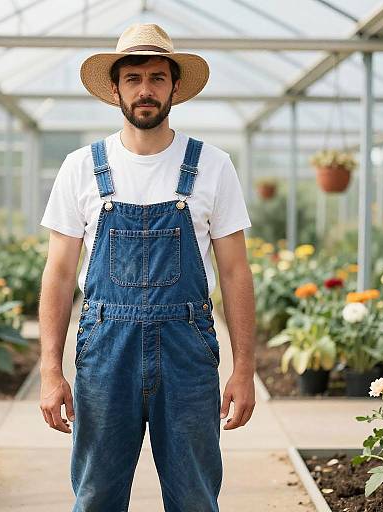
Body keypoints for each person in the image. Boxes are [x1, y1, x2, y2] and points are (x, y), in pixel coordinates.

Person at [38, 22, 256, 511]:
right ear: (114, 88)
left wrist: (246, 369)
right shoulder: (81, 167)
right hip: (105, 350)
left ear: (175, 87)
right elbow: (57, 274)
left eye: (157, 78)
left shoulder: (212, 165)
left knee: (195, 497)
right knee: (95, 496)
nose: (145, 90)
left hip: (188, 350)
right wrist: (50, 370)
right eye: (133, 77)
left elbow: (237, 273)